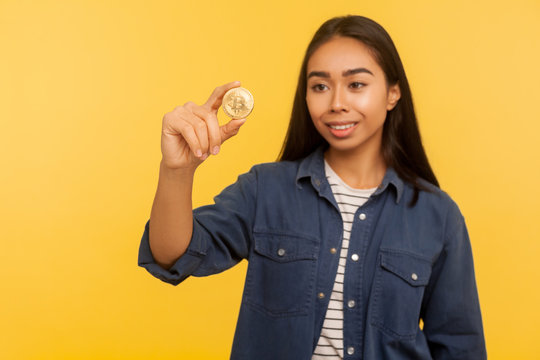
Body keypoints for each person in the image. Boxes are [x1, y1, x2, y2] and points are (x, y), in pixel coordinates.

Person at [138, 15, 487, 359]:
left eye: (356, 85)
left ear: (392, 93)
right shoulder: (266, 190)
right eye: (320, 86)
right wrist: (176, 170)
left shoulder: (438, 215)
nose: (336, 102)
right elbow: (172, 255)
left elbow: (460, 347)